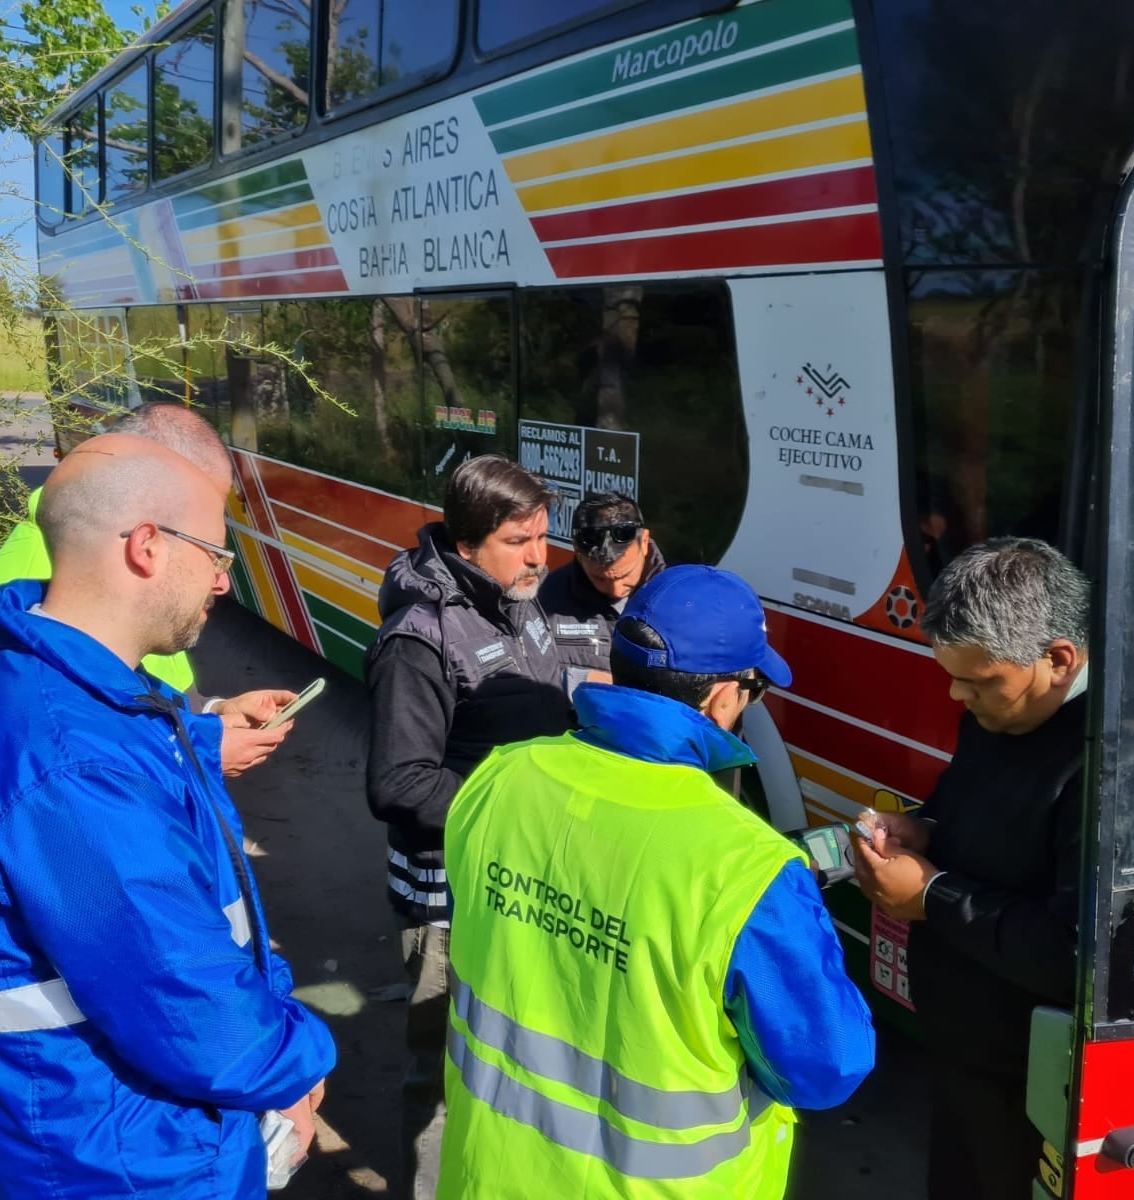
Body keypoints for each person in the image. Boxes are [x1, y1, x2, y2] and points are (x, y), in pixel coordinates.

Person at [0, 432, 336, 1199]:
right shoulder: (72, 769)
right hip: (125, 1164)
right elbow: (202, 1024)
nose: (221, 583)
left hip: (114, 1140)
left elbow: (134, 772)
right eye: (215, 555)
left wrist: (204, 737)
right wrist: (299, 1064)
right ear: (146, 546)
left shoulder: (73, 695)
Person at [438, 564, 874, 1198]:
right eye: (755, 686)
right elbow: (828, 1067)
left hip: (490, 1176)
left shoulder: (502, 775)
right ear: (723, 695)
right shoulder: (749, 869)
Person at [852, 538, 1134, 1200]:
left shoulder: (1132, 770)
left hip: (1042, 1089)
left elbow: (1093, 957)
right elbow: (982, 801)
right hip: (976, 1058)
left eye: (976, 681)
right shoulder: (1013, 702)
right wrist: (927, 827)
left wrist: (933, 895)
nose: (955, 694)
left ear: (1059, 659)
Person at [365, 455, 570, 1200]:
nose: (540, 556)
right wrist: (517, 808)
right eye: (521, 540)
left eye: (543, 536)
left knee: (502, 1059)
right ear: (467, 541)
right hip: (446, 898)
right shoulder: (419, 639)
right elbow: (398, 783)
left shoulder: (516, 598)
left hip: (512, 878)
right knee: (444, 1067)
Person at [0, 402, 294, 776]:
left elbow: (142, 698)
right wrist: (197, 755)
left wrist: (212, 715)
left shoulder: (117, 581)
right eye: (202, 510)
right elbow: (72, 755)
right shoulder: (44, 585)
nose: (221, 581)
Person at [536, 490, 666, 687]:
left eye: (624, 575)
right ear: (578, 553)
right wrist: (575, 681)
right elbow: (527, 669)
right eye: (599, 579)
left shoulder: (678, 597)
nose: (615, 590)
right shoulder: (546, 597)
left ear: (645, 542)